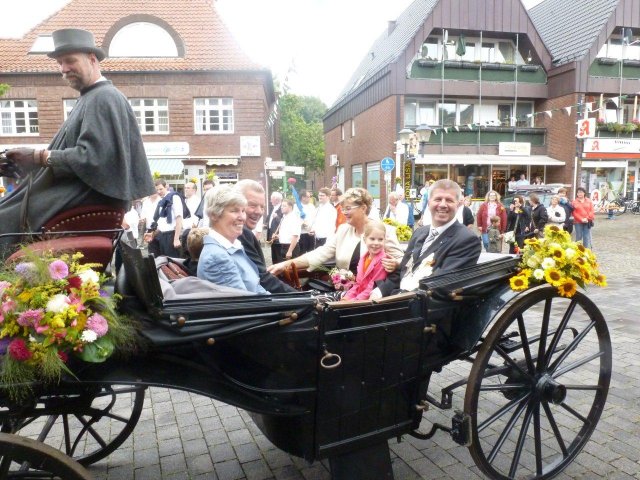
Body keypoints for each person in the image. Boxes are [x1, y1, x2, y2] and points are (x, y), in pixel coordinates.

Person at [0, 28, 154, 257]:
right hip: (77, 192)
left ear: (92, 59)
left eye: (70, 61)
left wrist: (37, 156)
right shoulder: (91, 98)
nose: (63, 68)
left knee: (4, 217)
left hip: (85, 196)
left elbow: (95, 159)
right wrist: (21, 164)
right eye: (60, 63)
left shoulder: (103, 97)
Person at [371, 179, 482, 298]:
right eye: (438, 199)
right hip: (399, 299)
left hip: (423, 307)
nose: (443, 204)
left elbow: (440, 283)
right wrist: (379, 292)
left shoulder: (466, 239)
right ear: (428, 203)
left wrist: (395, 297)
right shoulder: (420, 232)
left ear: (458, 204)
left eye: (449, 200)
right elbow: (404, 270)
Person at [268, 188, 404, 279]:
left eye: (348, 208)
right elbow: (319, 254)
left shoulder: (385, 230)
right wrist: (284, 265)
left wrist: (396, 263)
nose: (344, 212)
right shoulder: (343, 230)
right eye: (343, 208)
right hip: (346, 291)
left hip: (373, 296)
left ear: (363, 208)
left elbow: (404, 260)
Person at [197, 185, 268, 294]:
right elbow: (245, 304)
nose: (242, 217)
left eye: (243, 211)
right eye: (234, 211)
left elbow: (256, 287)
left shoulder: (232, 247)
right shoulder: (217, 257)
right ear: (214, 215)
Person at [234, 180, 295, 294]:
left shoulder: (242, 232)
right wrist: (303, 298)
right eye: (252, 205)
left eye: (262, 207)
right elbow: (262, 279)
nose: (258, 212)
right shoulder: (240, 233)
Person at [342, 220, 389, 301]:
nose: (376, 243)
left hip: (368, 301)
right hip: (358, 298)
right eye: (372, 239)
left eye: (380, 239)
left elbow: (372, 286)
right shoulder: (363, 258)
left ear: (385, 240)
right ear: (364, 239)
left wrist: (355, 301)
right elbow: (358, 284)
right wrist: (347, 298)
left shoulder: (383, 260)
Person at [144, 179, 184, 257]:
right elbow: (162, 224)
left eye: (161, 189)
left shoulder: (174, 197)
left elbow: (179, 219)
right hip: (162, 236)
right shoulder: (161, 201)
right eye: (157, 190)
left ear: (166, 187)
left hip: (171, 235)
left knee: (172, 262)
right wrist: (153, 234)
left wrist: (176, 239)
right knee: (163, 262)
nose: (159, 191)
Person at [266, 191, 284, 264]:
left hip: (278, 236)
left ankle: (281, 274)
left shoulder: (282, 208)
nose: (270, 201)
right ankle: (275, 272)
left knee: (279, 256)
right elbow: (268, 219)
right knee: (274, 255)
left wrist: (276, 217)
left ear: (277, 199)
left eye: (271, 199)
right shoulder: (272, 208)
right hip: (271, 234)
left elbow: (283, 222)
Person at [298, 190, 317, 254]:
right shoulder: (296, 207)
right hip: (301, 234)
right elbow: (294, 219)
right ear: (303, 197)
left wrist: (313, 229)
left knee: (311, 253)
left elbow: (315, 219)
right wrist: (301, 224)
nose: (310, 198)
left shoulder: (312, 206)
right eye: (308, 197)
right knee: (301, 253)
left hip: (311, 233)